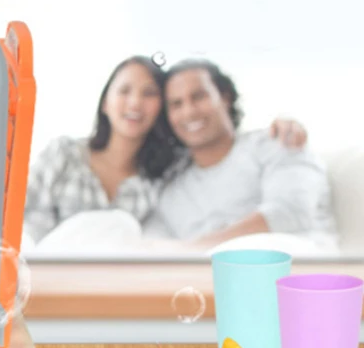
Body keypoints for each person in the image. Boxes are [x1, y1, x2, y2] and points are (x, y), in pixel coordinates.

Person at [24, 56, 307, 246]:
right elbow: (17, 218)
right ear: (105, 102)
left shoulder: (164, 174)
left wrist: (284, 124)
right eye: (124, 91)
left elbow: (217, 148)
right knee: (120, 224)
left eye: (149, 94)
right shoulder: (64, 153)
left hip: (111, 291)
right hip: (42, 276)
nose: (135, 103)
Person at [143, 59, 337, 250]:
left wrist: (197, 248)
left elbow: (291, 211)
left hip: (299, 270)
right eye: (176, 104)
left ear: (225, 97)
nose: (189, 111)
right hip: (211, 278)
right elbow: (152, 249)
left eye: (199, 96)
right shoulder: (170, 189)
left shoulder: (276, 142)